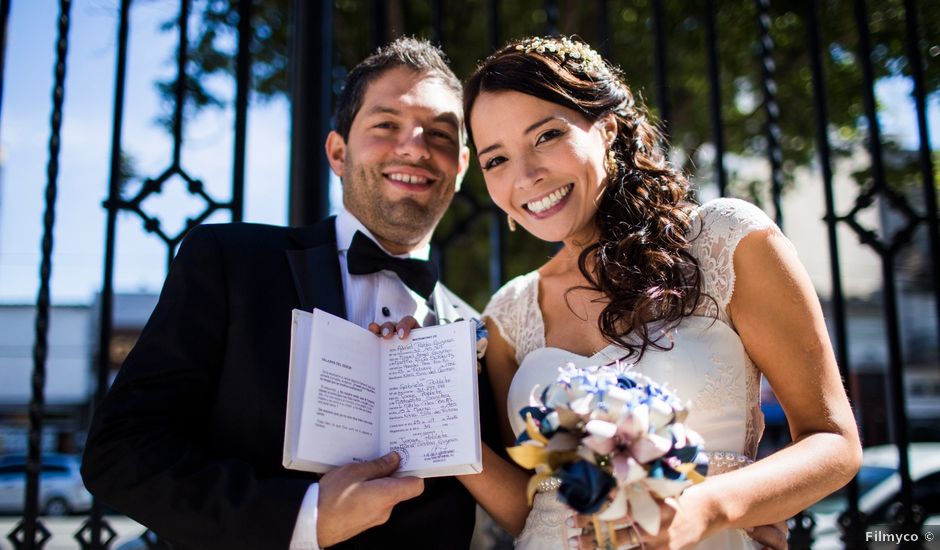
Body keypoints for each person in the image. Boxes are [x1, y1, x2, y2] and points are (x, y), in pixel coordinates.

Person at [454, 36, 862, 549]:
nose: (525, 176)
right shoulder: (508, 314)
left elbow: (834, 444)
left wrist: (710, 507)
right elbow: (529, 503)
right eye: (496, 160)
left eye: (546, 136)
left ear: (606, 128)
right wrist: (437, 429)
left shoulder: (726, 240)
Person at [81, 37, 486, 550]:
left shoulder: (475, 328)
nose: (415, 146)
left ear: (462, 166)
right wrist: (304, 518)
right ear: (338, 152)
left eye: (440, 134)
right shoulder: (230, 261)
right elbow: (120, 451)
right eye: (386, 125)